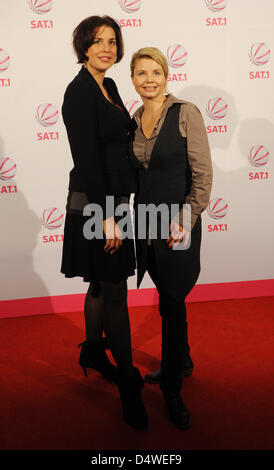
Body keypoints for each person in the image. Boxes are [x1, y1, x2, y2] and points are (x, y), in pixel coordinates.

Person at [61, 16, 147, 430]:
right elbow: (88, 162)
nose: (107, 49)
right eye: (98, 42)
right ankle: (129, 382)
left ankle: (94, 351)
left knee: (100, 281)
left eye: (112, 41)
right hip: (97, 204)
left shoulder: (109, 86)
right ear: (84, 46)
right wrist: (108, 216)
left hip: (115, 202)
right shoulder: (78, 93)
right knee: (115, 289)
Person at [129, 47, 212, 429]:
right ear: (132, 79)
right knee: (166, 296)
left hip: (177, 225)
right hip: (146, 225)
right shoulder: (133, 118)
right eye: (141, 73)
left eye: (155, 72)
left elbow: (202, 174)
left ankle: (173, 390)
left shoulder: (186, 113)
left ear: (166, 75)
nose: (149, 79)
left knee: (174, 300)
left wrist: (187, 217)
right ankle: (184, 359)